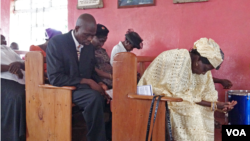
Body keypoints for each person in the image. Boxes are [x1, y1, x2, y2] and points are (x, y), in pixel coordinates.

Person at [138, 38, 237, 141]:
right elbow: (179, 95)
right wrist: (214, 105)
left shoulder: (195, 64)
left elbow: (201, 93)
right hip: (153, 98)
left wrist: (218, 105)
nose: (204, 73)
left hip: (176, 97)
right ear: (198, 59)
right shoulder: (179, 58)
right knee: (191, 110)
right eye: (205, 69)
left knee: (203, 110)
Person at [46, 13, 110, 141]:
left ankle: (106, 136)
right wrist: (87, 81)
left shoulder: (89, 47)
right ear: (76, 29)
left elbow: (91, 72)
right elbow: (55, 78)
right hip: (63, 88)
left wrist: (101, 84)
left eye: (93, 36)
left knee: (107, 97)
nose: (90, 39)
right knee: (94, 98)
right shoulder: (57, 43)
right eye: (87, 35)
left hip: (81, 88)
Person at [0, 44, 26, 141]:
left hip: (22, 79)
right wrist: (10, 68)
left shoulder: (6, 48)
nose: (3, 41)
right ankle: (13, 136)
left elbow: (21, 61)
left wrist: (19, 64)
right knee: (18, 96)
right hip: (3, 78)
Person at [92, 24, 112, 89]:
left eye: (104, 41)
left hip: (111, 79)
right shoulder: (87, 51)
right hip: (102, 82)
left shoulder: (102, 50)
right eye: (100, 41)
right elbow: (93, 70)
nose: (102, 44)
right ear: (92, 37)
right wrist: (111, 76)